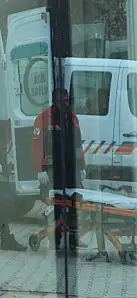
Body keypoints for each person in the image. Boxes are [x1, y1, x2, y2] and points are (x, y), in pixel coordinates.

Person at [34, 88, 86, 252]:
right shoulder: (43, 119)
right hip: (53, 171)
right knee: (55, 207)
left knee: (74, 205)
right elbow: (37, 146)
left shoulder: (73, 118)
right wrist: (40, 169)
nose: (65, 104)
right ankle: (55, 241)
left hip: (71, 170)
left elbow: (78, 144)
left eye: (67, 101)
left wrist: (82, 167)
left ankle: (73, 239)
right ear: (54, 102)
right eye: (61, 101)